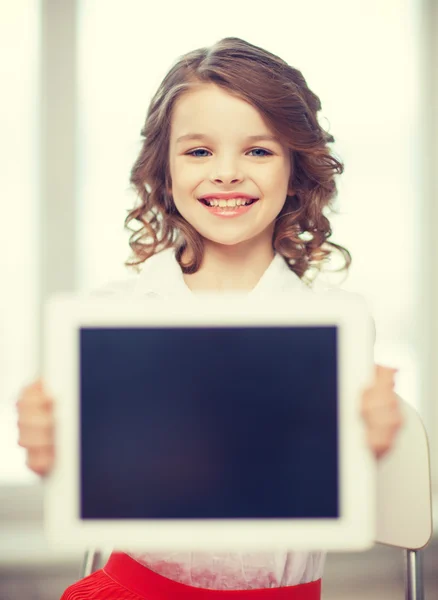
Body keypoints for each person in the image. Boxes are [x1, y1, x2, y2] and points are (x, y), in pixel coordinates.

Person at [16, 37, 403, 600]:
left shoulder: (336, 322)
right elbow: (104, 481)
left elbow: (310, 482)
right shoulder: (114, 314)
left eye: (258, 151)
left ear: (296, 169)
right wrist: (59, 451)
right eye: (199, 152)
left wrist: (363, 449)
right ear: (165, 171)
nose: (226, 173)